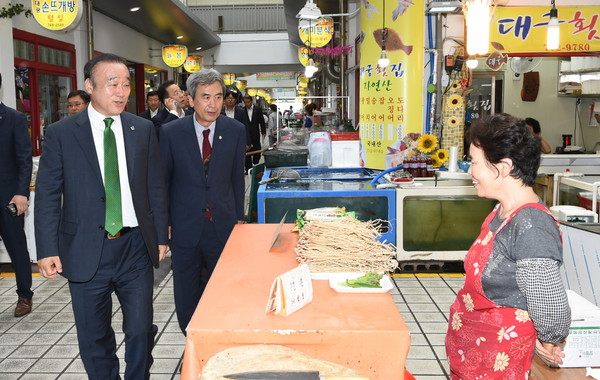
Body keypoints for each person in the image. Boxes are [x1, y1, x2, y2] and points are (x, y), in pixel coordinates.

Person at [34, 53, 169, 380]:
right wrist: (46, 248)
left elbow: (155, 185)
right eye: (112, 84)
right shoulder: (62, 133)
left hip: (134, 246)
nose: (121, 92)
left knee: (139, 329)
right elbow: (49, 194)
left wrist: (162, 236)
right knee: (94, 336)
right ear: (90, 86)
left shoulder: (142, 128)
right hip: (84, 248)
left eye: (125, 85)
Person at [445, 113, 570, 379]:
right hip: (477, 352)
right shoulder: (501, 211)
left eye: (474, 162)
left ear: (501, 167)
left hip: (501, 359)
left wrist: (548, 338)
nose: (470, 171)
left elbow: (549, 304)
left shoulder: (531, 225)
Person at [160, 68, 246, 335]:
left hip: (222, 224)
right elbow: (163, 182)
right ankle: (191, 337)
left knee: (224, 284)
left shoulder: (235, 130)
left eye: (219, 97)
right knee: (186, 287)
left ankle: (220, 335)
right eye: (206, 97)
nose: (213, 104)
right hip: (185, 225)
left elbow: (236, 178)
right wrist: (165, 224)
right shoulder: (172, 132)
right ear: (190, 98)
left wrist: (239, 219)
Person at [0, 73, 34, 317]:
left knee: (16, 247)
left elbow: (24, 160)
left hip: (8, 198)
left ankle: (25, 294)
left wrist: (22, 193)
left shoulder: (14, 119)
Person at [242, 95, 266, 172]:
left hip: (255, 132)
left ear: (251, 101)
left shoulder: (257, 109)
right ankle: (248, 168)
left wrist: (263, 131)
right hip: (246, 133)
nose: (247, 104)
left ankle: (255, 162)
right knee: (247, 151)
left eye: (248, 102)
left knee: (257, 149)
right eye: (245, 103)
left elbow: (261, 121)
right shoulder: (242, 110)